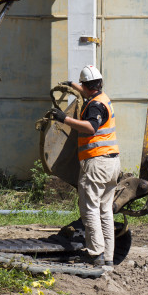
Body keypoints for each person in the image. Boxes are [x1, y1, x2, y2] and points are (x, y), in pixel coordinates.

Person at [49, 65, 120, 268]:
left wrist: (65, 119)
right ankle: (108, 258)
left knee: (90, 208)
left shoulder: (95, 106)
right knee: (105, 210)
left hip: (97, 163)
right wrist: (72, 85)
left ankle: (95, 253)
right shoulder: (103, 98)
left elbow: (90, 127)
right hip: (112, 164)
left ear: (86, 85)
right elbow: (89, 91)